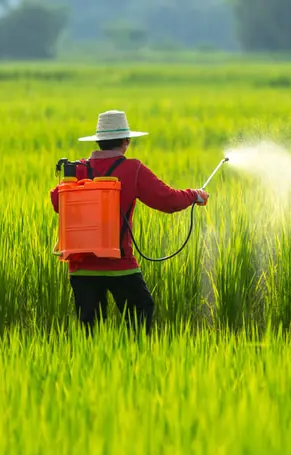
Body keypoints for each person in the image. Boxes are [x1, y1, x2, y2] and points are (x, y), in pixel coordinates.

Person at [50, 110, 209, 335]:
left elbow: (57, 200)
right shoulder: (132, 169)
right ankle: (133, 362)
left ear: (98, 141)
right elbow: (167, 200)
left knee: (89, 331)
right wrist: (194, 195)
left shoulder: (77, 169)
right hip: (119, 264)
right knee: (141, 311)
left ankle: (91, 367)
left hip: (81, 266)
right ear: (127, 141)